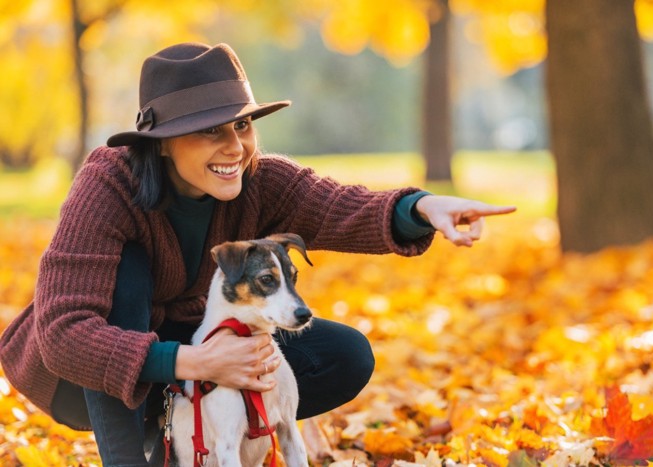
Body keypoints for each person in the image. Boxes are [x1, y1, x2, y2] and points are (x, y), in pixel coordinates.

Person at [0, 42, 515, 465]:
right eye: (210, 130)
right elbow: (63, 333)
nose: (235, 147)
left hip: (201, 346)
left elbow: (339, 205)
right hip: (90, 370)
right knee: (127, 273)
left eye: (242, 125)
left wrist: (423, 208)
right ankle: (136, 456)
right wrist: (193, 361)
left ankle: (191, 436)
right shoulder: (108, 186)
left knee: (342, 355)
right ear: (160, 143)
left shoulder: (260, 179)